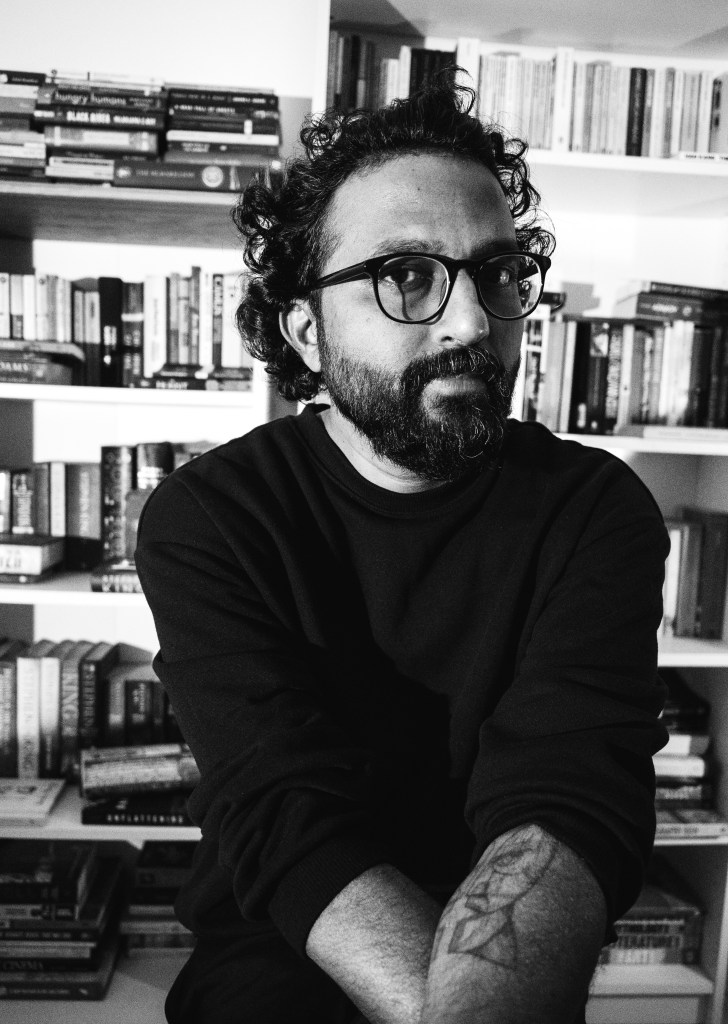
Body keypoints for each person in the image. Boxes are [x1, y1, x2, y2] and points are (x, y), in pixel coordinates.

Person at [135, 75, 670, 1024]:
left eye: (497, 274)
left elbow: (570, 797)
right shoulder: (211, 516)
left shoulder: (595, 510)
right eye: (408, 276)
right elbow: (284, 814)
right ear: (307, 330)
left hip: (512, 949)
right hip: (281, 946)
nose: (473, 322)